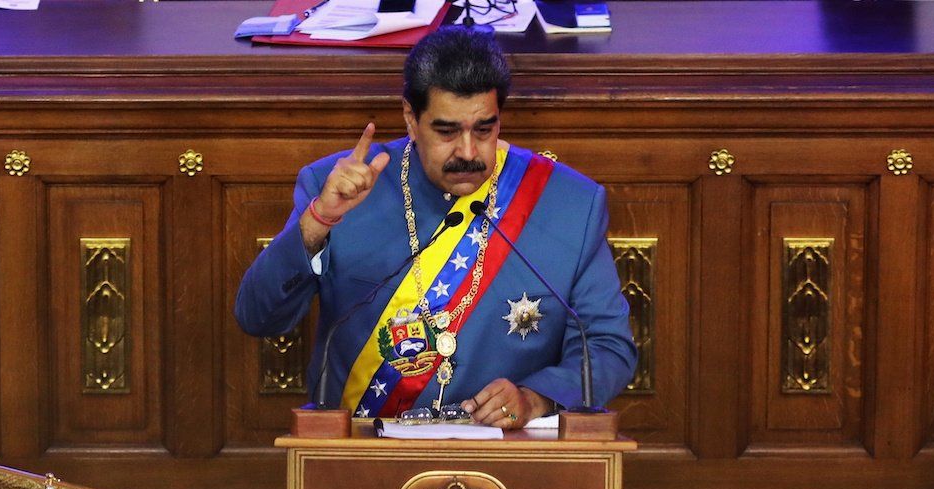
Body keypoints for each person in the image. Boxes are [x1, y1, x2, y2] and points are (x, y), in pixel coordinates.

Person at [234, 27, 636, 429]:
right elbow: (258, 318)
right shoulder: (335, 187)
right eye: (446, 131)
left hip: (510, 462)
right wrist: (318, 221)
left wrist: (535, 399)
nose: (468, 151)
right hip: (361, 458)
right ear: (411, 118)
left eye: (484, 129)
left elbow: (608, 347)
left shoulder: (568, 203)